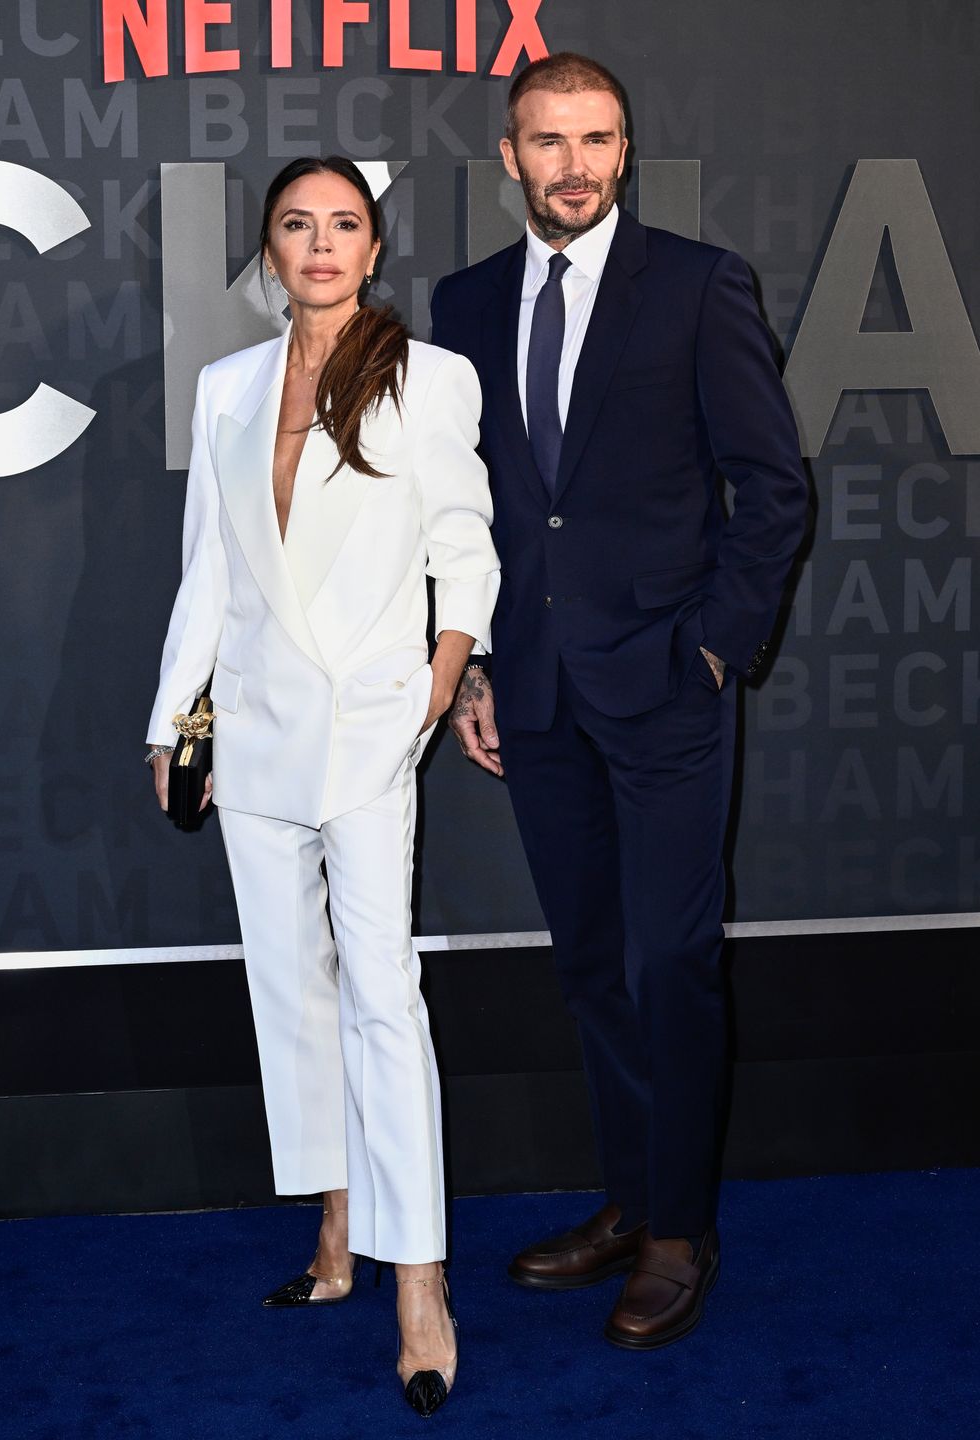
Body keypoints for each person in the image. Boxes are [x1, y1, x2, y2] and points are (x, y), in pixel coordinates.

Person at [432, 54, 808, 1349]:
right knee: (593, 966)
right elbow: (470, 510)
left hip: (667, 691)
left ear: (627, 151)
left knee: (671, 963)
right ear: (511, 156)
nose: (575, 163)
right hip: (533, 695)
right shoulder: (464, 301)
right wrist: (475, 663)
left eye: (598, 139)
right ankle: (631, 1195)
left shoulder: (699, 287)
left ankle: (678, 1232)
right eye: (550, 140)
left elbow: (775, 488)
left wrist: (714, 648)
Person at [146, 155, 499, 1414]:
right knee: (290, 993)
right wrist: (171, 717)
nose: (321, 243)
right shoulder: (229, 384)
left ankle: (420, 1278)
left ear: (374, 242)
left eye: (344, 223)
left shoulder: (428, 377)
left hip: (366, 729)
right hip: (249, 730)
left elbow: (465, 547)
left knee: (382, 997)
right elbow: (209, 572)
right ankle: (338, 1232)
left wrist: (438, 676)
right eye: (297, 225)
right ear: (269, 249)